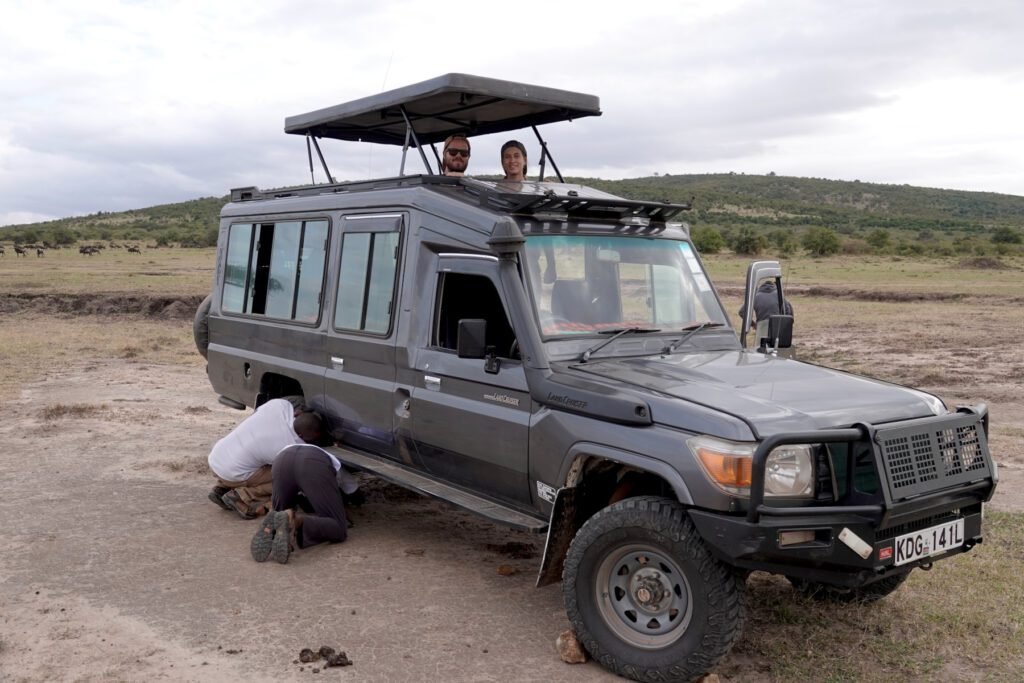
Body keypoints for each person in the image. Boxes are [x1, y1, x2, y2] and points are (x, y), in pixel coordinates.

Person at [206, 399, 324, 519]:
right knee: (291, 479)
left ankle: (222, 488)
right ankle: (241, 496)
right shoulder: (288, 446)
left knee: (253, 457)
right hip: (233, 474)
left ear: (298, 413)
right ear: (301, 436)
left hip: (217, 458)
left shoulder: (280, 405)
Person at [249, 443, 358, 564]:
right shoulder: (337, 466)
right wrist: (347, 503)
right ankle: (296, 522)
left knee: (280, 513)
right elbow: (352, 491)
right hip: (313, 465)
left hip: (282, 460)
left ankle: (277, 524)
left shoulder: (301, 445)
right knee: (339, 528)